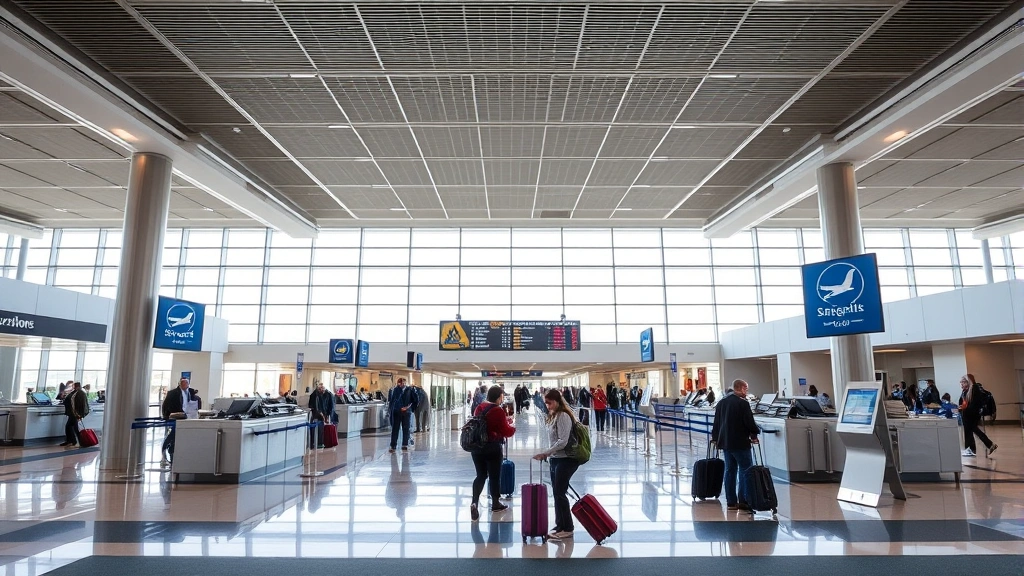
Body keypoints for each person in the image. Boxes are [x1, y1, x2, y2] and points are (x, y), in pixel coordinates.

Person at [533, 389, 581, 541]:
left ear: (558, 401)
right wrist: (549, 454)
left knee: (560, 493)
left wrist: (546, 452)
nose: (547, 405)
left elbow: (563, 441)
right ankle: (560, 525)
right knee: (557, 493)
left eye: (550, 402)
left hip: (566, 459)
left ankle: (568, 528)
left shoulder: (563, 416)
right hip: (556, 459)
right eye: (546, 403)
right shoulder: (553, 416)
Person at [711, 379, 760, 514]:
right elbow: (749, 422)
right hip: (740, 442)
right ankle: (743, 500)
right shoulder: (743, 404)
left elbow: (717, 423)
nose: (747, 392)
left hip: (726, 443)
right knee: (745, 469)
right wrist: (754, 435)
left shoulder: (722, 403)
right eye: (746, 389)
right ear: (742, 388)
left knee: (730, 470)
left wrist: (715, 438)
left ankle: (731, 502)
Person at [470, 385, 516, 521]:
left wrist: (504, 422)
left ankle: (474, 502)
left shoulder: (480, 407)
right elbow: (505, 431)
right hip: (492, 447)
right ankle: (496, 503)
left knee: (481, 476)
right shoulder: (498, 410)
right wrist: (512, 427)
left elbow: (486, 424)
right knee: (495, 476)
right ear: (499, 396)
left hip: (477, 447)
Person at [160, 378, 201, 464]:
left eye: (187, 383)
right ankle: (167, 450)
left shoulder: (191, 393)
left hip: (188, 417)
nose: (186, 385)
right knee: (173, 435)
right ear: (180, 384)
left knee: (178, 435)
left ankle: (175, 452)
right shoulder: (173, 393)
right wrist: (166, 416)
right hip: (177, 417)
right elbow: (166, 405)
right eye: (184, 383)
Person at [959, 374, 997, 457]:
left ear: (968, 382)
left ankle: (972, 448)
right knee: (973, 431)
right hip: (968, 414)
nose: (961, 384)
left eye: (963, 382)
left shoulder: (974, 390)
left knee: (971, 431)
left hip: (972, 414)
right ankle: (984, 446)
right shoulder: (966, 391)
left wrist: (965, 409)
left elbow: (975, 404)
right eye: (961, 382)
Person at [388, 378, 417, 453]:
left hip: (406, 412)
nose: (402, 385)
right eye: (400, 383)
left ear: (405, 383)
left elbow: (415, 400)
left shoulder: (410, 390)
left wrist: (410, 408)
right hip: (397, 412)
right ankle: (393, 445)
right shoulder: (395, 390)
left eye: (403, 383)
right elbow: (392, 401)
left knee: (406, 428)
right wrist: (391, 410)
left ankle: (405, 444)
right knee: (395, 429)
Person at [308, 381, 337, 449]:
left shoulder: (328, 394)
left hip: (321, 414)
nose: (323, 391)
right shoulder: (315, 395)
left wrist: (327, 415)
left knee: (321, 429)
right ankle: (317, 443)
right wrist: (324, 417)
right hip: (317, 415)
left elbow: (330, 406)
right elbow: (316, 407)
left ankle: (320, 442)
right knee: (318, 429)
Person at [60, 381, 89, 447]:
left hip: (75, 413)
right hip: (73, 413)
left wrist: (79, 415)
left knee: (72, 427)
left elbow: (79, 404)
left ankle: (77, 442)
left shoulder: (79, 393)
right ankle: (73, 441)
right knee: (71, 427)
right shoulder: (77, 392)